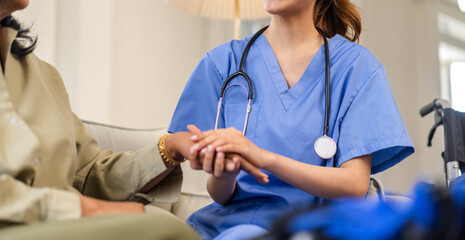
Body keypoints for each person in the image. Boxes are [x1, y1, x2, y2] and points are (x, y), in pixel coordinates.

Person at [168, 0, 415, 239]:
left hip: (316, 227)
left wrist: (265, 158)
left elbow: (354, 186)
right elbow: (220, 195)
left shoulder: (356, 67)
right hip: (231, 228)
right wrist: (225, 174)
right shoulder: (223, 62)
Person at [0, 0, 209, 239]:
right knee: (164, 230)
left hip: (60, 227)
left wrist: (168, 149)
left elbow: (89, 173)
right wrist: (85, 209)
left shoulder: (44, 77)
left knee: (165, 225)